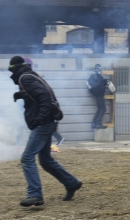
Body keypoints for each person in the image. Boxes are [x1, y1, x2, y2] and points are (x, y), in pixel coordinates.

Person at [9, 56, 82, 207]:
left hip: (43, 124)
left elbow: (44, 97)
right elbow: (41, 94)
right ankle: (71, 183)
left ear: (14, 69)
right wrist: (22, 95)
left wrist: (39, 119)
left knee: (27, 158)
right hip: (47, 122)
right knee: (45, 160)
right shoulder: (30, 75)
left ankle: (35, 195)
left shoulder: (25, 78)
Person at [87, 64, 108, 129]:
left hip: (96, 95)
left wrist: (105, 81)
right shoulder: (97, 76)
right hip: (99, 95)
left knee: (100, 109)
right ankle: (98, 124)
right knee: (103, 109)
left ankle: (94, 124)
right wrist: (104, 80)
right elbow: (100, 85)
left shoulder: (93, 76)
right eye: (100, 69)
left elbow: (99, 84)